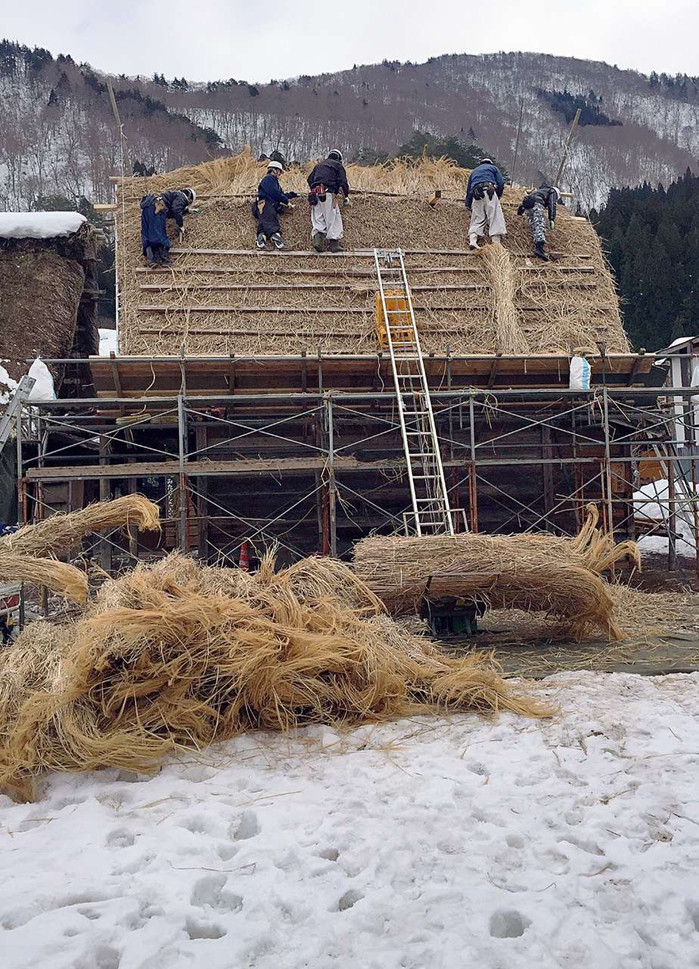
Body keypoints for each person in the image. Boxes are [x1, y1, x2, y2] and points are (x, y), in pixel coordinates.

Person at [140, 187, 197, 267]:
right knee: (160, 234)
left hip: (147, 209)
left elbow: (171, 212)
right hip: (158, 208)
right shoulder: (182, 197)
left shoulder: (173, 195)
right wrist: (180, 225)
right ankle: (165, 260)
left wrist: (186, 211)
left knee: (148, 234)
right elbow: (176, 210)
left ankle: (153, 259)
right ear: (190, 199)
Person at [307, 149, 350, 253]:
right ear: (339, 158)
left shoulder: (318, 165)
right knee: (333, 218)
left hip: (315, 194)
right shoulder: (337, 165)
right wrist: (346, 195)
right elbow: (343, 182)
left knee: (318, 218)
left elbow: (309, 179)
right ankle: (334, 244)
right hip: (328, 193)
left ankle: (318, 242)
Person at [253, 160, 299, 250]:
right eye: (279, 171)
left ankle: (261, 242)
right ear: (274, 170)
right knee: (272, 224)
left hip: (264, 205)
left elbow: (280, 194)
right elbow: (275, 193)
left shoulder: (273, 181)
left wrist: (291, 195)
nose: (280, 174)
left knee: (264, 226)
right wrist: (287, 202)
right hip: (266, 205)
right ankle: (279, 243)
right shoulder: (268, 179)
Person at [465, 158, 507, 250]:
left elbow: (468, 190)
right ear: (490, 163)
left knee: (477, 217)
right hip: (489, 190)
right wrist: (498, 195)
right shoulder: (493, 168)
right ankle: (496, 243)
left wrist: (468, 204)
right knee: (494, 216)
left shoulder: (474, 171)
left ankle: (473, 240)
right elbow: (501, 183)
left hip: (476, 194)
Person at [517, 184, 561, 261]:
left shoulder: (540, 191)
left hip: (528, 203)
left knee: (533, 223)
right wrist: (552, 218)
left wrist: (522, 208)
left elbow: (530, 197)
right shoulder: (552, 191)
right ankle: (539, 248)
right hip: (537, 203)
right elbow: (552, 204)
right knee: (539, 224)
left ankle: (537, 244)